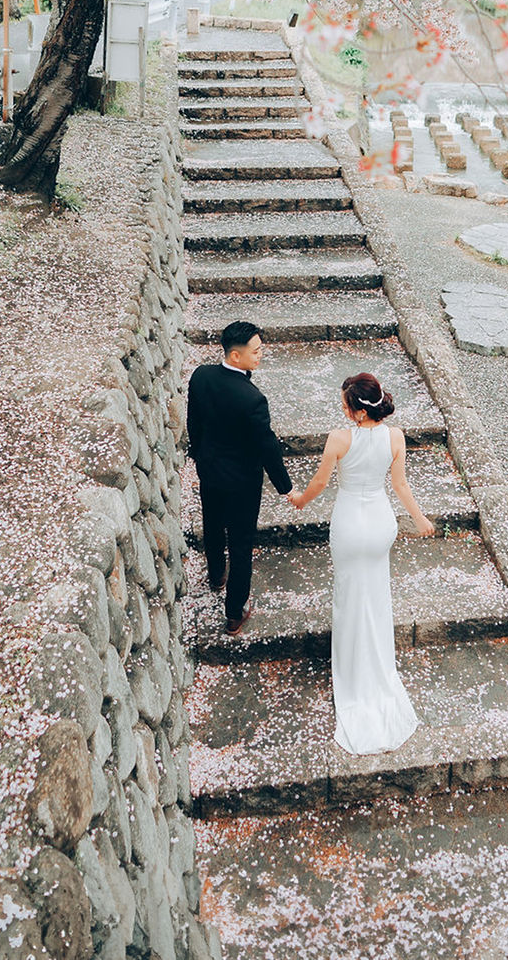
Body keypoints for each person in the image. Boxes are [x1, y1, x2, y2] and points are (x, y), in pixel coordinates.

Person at [289, 372, 436, 754]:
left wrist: (301, 501)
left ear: (357, 412)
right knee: (377, 597)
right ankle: (378, 670)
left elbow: (321, 484)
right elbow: (400, 486)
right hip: (381, 525)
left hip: (351, 526)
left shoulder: (340, 438)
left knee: (349, 599)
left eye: (344, 406)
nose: (342, 410)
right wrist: (419, 519)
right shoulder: (396, 436)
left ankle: (353, 675)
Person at [186, 321, 293, 636]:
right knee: (242, 543)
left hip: (210, 471)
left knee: (213, 524)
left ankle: (216, 574)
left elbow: (194, 423)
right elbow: (267, 447)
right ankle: (235, 613)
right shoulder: (252, 399)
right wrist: (284, 486)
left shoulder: (201, 376)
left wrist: (200, 456)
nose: (261, 355)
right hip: (243, 483)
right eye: (256, 351)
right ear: (235, 355)